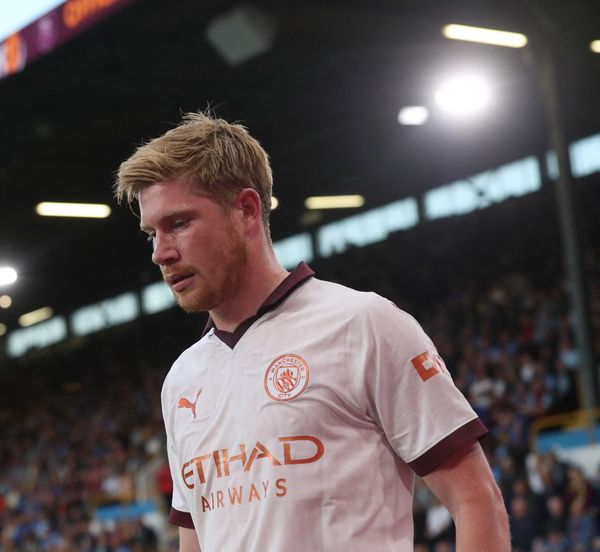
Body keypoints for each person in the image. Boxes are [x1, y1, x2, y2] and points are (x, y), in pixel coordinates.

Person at [114, 111, 509, 551]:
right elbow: (196, 541)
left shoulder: (363, 324)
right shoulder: (182, 380)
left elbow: (476, 501)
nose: (160, 253)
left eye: (179, 224)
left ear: (245, 209)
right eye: (152, 233)